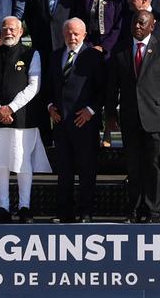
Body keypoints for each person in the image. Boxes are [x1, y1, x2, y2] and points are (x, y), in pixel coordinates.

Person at [105, 9, 160, 222]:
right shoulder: (120, 50)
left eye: (141, 23)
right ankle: (134, 210)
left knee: (155, 167)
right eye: (134, 23)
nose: (137, 26)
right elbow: (113, 86)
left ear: (152, 25)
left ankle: (153, 211)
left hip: (156, 117)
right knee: (133, 166)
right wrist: (110, 113)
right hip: (130, 118)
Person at [0, 15, 49, 222]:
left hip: (23, 118)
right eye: (4, 29)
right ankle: (3, 208)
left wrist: (11, 108)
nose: (8, 32)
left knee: (22, 162)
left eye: (12, 29)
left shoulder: (31, 54)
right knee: (0, 162)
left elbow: (34, 85)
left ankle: (24, 207)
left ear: (20, 32)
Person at [48, 18, 107, 222]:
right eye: (68, 33)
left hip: (85, 123)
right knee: (64, 171)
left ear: (84, 35)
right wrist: (50, 107)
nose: (72, 37)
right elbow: (48, 87)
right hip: (61, 123)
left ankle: (86, 212)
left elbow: (104, 90)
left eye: (76, 34)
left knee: (86, 170)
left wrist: (91, 110)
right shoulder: (56, 57)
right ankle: (64, 212)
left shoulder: (93, 57)